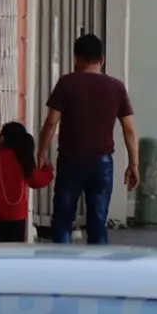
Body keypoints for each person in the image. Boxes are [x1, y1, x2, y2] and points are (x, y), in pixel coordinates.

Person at [37, 34, 139, 245]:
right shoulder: (116, 87)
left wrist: (42, 152)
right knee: (98, 222)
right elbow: (129, 129)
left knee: (63, 220)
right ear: (101, 59)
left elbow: (51, 122)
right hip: (102, 163)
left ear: (76, 58)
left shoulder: (67, 83)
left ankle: (61, 267)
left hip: (70, 160)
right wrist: (134, 164)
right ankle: (98, 271)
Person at [0, 122, 53, 243]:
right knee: (15, 253)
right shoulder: (23, 159)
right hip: (18, 217)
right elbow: (37, 181)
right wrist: (48, 169)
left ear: (3, 138)